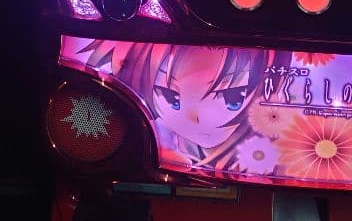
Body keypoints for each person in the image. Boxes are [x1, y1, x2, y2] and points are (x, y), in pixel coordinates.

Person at [72, 39, 281, 172]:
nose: (196, 117)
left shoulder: (268, 154)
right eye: (170, 96)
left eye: (231, 97)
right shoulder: (151, 143)